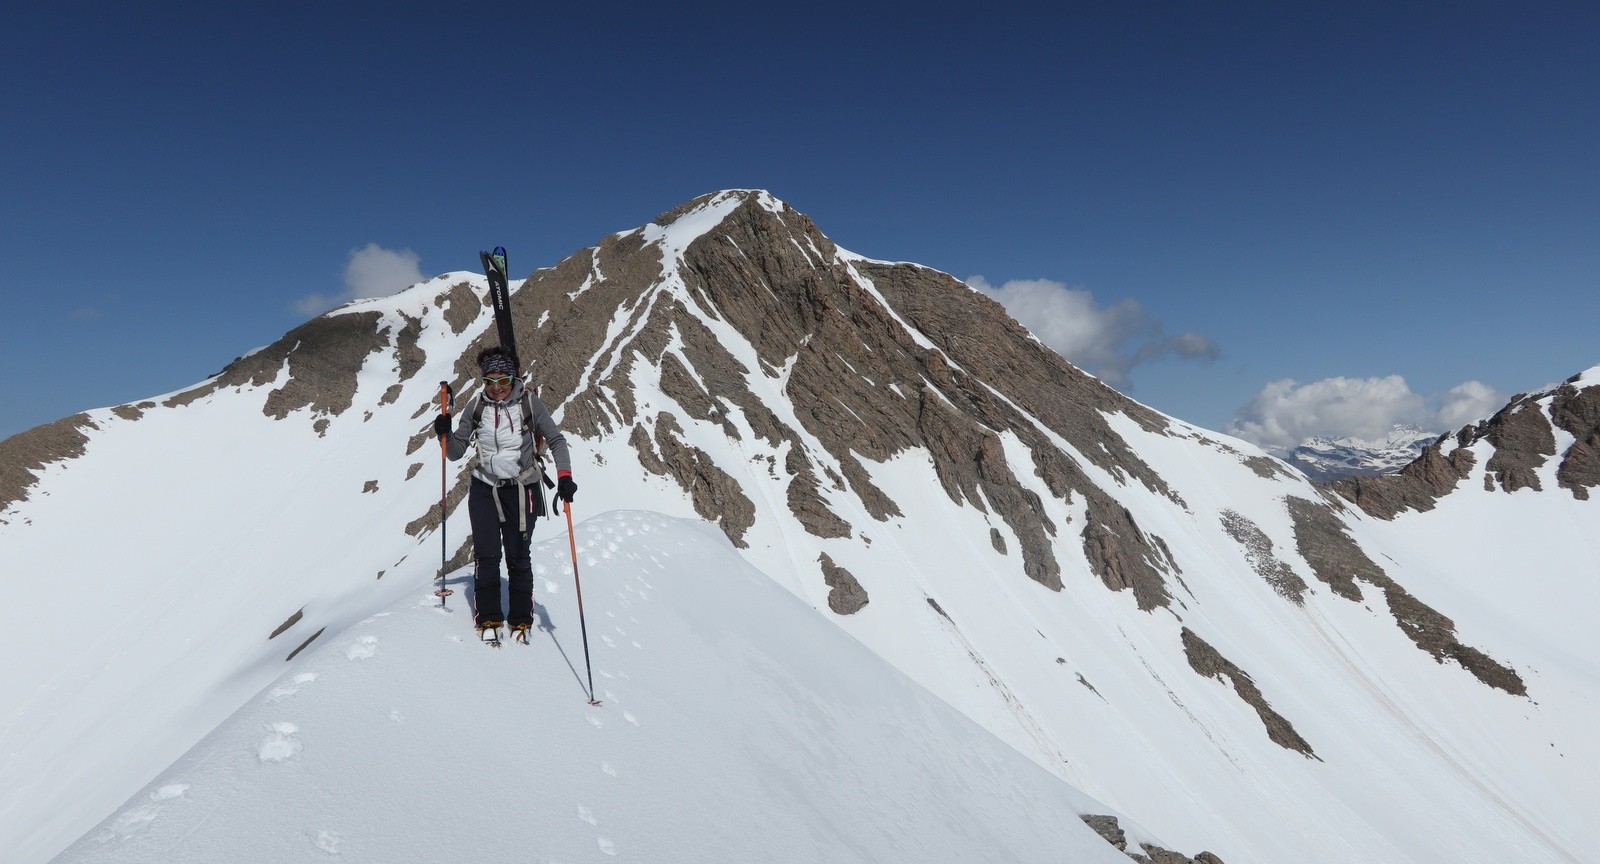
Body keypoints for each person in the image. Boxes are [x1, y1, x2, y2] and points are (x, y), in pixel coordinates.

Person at [435, 346, 576, 643]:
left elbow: (556, 439)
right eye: (490, 382)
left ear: (513, 378)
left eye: (503, 381)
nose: (497, 388)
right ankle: (488, 615)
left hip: (523, 489)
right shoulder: (476, 407)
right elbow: (456, 453)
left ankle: (521, 617)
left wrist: (564, 477)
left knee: (518, 557)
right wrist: (444, 435)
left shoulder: (529, 403)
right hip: (484, 487)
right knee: (486, 556)